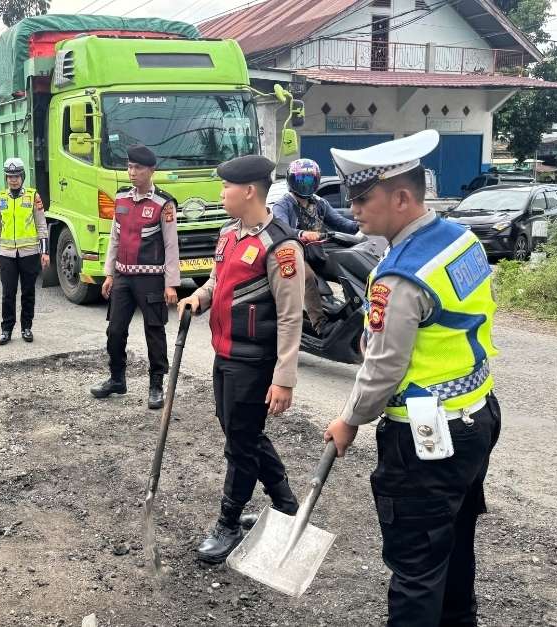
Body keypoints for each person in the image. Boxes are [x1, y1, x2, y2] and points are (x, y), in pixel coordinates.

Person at [322, 130, 500, 627]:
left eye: (362, 198)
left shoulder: (400, 274)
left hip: (425, 438)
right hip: (478, 417)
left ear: (401, 197)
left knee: (416, 567)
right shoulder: (460, 239)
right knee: (455, 543)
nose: (353, 209)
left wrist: (349, 420)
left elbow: (382, 370)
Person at [176, 154, 305, 563]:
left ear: (249, 191)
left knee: (240, 444)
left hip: (254, 362)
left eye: (226, 187)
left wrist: (284, 378)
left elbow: (290, 314)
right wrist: (198, 297)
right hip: (224, 353)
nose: (221, 193)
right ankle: (285, 503)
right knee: (241, 433)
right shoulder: (229, 234)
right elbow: (217, 279)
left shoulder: (281, 245)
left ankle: (228, 522)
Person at [92, 145, 180, 410]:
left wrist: (172, 284)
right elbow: (114, 239)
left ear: (151, 171)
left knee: (154, 331)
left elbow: (171, 245)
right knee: (115, 330)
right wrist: (109, 274)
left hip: (151, 279)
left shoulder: (163, 204)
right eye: (129, 167)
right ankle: (117, 378)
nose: (132, 172)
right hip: (123, 278)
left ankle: (156, 385)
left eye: (138, 168)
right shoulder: (120, 200)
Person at [271, 158, 359, 334]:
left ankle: (351, 313)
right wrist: (302, 234)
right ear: (291, 181)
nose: (305, 185)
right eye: (301, 181)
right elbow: (282, 229)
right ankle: (320, 325)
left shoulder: (320, 203)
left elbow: (342, 224)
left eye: (310, 181)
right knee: (308, 277)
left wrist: (363, 224)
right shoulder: (284, 204)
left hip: (316, 254)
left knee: (346, 268)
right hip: (292, 254)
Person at [0, 157, 49, 344]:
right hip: (7, 254)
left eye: (16, 176)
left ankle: (26, 328)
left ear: (22, 176)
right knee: (8, 293)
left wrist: (45, 252)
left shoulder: (33, 196)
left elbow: (42, 226)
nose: (13, 180)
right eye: (9, 176)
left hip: (29, 253)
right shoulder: (1, 198)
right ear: (6, 178)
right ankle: (6, 330)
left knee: (28, 292)